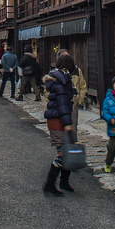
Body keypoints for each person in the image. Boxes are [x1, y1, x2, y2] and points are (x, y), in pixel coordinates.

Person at [42, 52, 77, 196]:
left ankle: (64, 182)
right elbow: (62, 104)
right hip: (58, 120)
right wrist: (68, 123)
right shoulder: (61, 81)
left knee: (68, 150)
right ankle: (50, 184)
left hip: (57, 118)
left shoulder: (61, 78)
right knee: (63, 152)